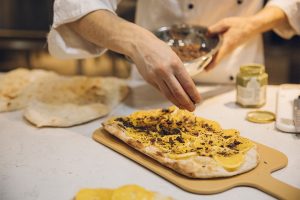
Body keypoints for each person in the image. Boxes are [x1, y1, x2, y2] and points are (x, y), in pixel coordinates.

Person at [48, 0, 300, 111]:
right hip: (151, 82)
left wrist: (253, 24)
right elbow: (77, 5)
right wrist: (137, 41)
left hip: (237, 88)